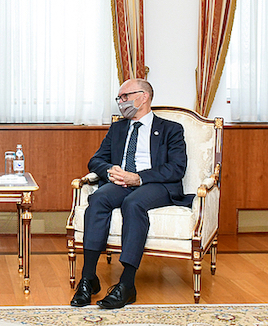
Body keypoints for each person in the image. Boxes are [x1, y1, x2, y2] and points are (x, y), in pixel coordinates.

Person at [70, 78, 192, 309]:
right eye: (119, 98)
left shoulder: (171, 129)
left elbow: (177, 168)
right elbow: (95, 160)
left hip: (156, 184)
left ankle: (127, 284)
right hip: (121, 181)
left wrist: (139, 177)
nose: (121, 102)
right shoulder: (118, 128)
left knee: (133, 203)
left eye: (125, 97)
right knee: (97, 199)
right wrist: (110, 170)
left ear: (143, 97)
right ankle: (88, 278)